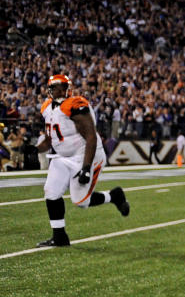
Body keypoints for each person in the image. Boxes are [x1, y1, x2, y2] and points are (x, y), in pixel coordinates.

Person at [36, 74, 130, 247]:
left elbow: (91, 137)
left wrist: (86, 168)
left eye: (64, 86)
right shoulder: (47, 108)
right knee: (51, 191)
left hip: (85, 154)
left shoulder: (75, 104)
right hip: (62, 156)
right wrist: (34, 149)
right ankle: (59, 237)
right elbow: (51, 139)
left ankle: (114, 196)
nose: (61, 90)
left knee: (80, 201)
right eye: (58, 86)